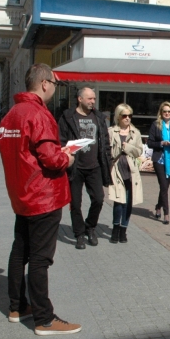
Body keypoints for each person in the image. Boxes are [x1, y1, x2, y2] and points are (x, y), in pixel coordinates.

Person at [0, 63, 81, 335]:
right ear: (45, 83)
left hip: (21, 194)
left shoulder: (11, 115)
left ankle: (17, 306)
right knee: (40, 258)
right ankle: (44, 319)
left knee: (19, 251)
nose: (55, 89)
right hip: (42, 195)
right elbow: (50, 158)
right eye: (54, 84)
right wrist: (67, 158)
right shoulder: (38, 114)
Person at [58, 87, 112, 249]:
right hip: (75, 167)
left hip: (94, 166)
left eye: (94, 99)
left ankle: (90, 226)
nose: (93, 101)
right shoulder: (68, 117)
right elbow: (60, 140)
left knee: (99, 199)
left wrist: (107, 162)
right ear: (80, 99)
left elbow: (105, 141)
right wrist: (65, 155)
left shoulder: (98, 117)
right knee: (75, 203)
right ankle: (79, 234)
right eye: (89, 98)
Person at [108, 103, 144, 244]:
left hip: (131, 171)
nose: (127, 118)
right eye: (124, 116)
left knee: (128, 203)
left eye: (130, 115)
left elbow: (139, 151)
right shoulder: (111, 131)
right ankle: (115, 229)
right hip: (116, 169)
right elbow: (107, 152)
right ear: (118, 116)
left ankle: (123, 230)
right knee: (118, 201)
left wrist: (128, 147)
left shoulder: (135, 133)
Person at [147, 101, 170, 224]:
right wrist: (161, 143)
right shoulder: (156, 125)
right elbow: (149, 143)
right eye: (165, 111)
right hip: (159, 159)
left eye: (169, 111)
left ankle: (158, 206)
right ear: (161, 113)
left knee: (165, 186)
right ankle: (166, 214)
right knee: (163, 185)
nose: (167, 113)